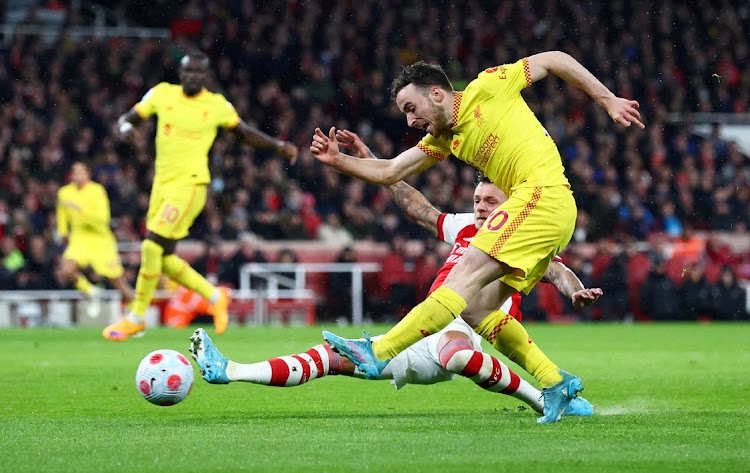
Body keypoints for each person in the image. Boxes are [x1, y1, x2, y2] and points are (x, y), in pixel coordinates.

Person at [311, 51, 641, 420]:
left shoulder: (488, 86)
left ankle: (380, 351)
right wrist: (338, 160)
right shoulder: (446, 139)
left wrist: (608, 99)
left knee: (461, 276)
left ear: (437, 94)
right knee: (475, 306)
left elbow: (555, 59)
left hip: (540, 195)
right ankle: (555, 382)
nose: (409, 120)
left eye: (411, 107)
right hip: (548, 210)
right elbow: (390, 170)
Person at [337, 130, 601, 421]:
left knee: (470, 313)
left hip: (469, 327)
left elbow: (557, 270)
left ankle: (379, 351)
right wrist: (371, 160)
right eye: (477, 200)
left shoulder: (521, 233)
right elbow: (418, 208)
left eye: (490, 201)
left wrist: (576, 290)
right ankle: (553, 385)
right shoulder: (464, 225)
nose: (480, 208)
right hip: (434, 323)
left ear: (510, 203)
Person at [103, 51, 297, 341]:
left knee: (150, 246)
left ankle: (137, 316)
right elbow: (126, 119)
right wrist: (126, 129)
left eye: (199, 72)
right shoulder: (162, 94)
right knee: (165, 259)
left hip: (191, 185)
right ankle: (215, 296)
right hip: (162, 186)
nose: (193, 76)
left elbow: (244, 133)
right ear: (180, 73)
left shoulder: (216, 104)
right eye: (188, 71)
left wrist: (278, 145)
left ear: (206, 77)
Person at [56, 162, 134, 316]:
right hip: (80, 238)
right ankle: (91, 291)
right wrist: (64, 232)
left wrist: (81, 209)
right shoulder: (64, 193)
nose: (77, 176)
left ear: (88, 175)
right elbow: (62, 213)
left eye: (81, 173)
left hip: (100, 239)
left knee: (119, 283)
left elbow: (103, 219)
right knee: (67, 269)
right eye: (75, 173)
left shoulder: (97, 191)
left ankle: (136, 315)